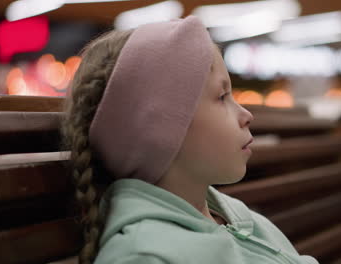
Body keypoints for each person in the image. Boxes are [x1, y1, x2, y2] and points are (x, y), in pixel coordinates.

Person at [60, 15, 319, 264]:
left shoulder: (236, 217)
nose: (246, 115)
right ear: (161, 129)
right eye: (222, 97)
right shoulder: (146, 256)